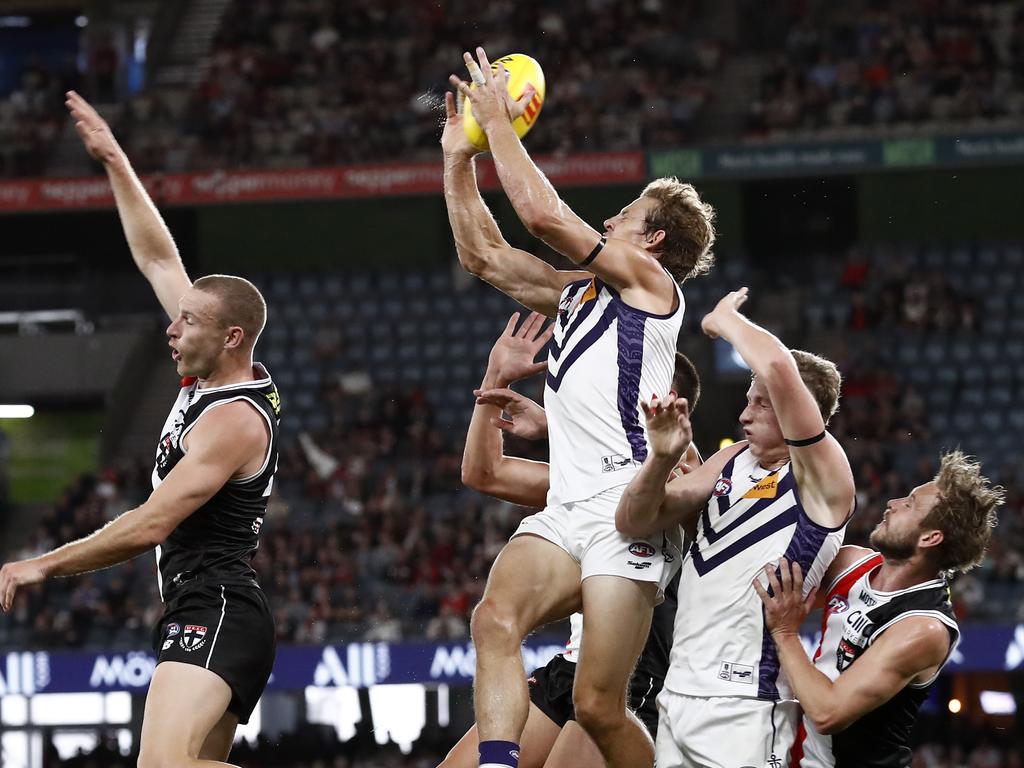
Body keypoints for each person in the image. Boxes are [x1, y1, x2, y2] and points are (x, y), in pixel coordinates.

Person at [443, 47, 716, 768]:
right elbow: (486, 258)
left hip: (631, 504)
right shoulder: (578, 297)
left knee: (599, 706)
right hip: (570, 500)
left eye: (625, 215)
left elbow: (538, 213)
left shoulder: (652, 286)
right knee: (494, 617)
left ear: (653, 241)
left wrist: (498, 122)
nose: (609, 218)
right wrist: (455, 158)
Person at [0, 91, 280, 768]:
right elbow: (158, 258)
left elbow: (152, 524)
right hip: (205, 605)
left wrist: (43, 563)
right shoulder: (205, 377)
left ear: (231, 336)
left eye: (188, 322)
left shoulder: (234, 420)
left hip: (214, 607)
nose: (171, 327)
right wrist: (115, 160)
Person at [441, 312, 702, 768]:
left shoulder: (686, 474)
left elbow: (683, 477)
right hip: (569, 667)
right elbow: (484, 473)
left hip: (633, 676)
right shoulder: (587, 480)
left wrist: (564, 431)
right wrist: (496, 379)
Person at [615, 287, 856, 768]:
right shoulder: (732, 460)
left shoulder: (824, 477)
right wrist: (661, 459)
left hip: (746, 699)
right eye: (748, 401)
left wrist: (725, 319)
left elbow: (781, 370)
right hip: (679, 690)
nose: (745, 413)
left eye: (762, 403)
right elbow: (633, 520)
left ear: (795, 407)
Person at [755, 450, 1003, 767]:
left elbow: (827, 713)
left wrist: (786, 632)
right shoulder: (852, 563)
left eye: (910, 503)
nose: (893, 503)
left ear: (930, 537)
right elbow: (764, 586)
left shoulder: (923, 628)